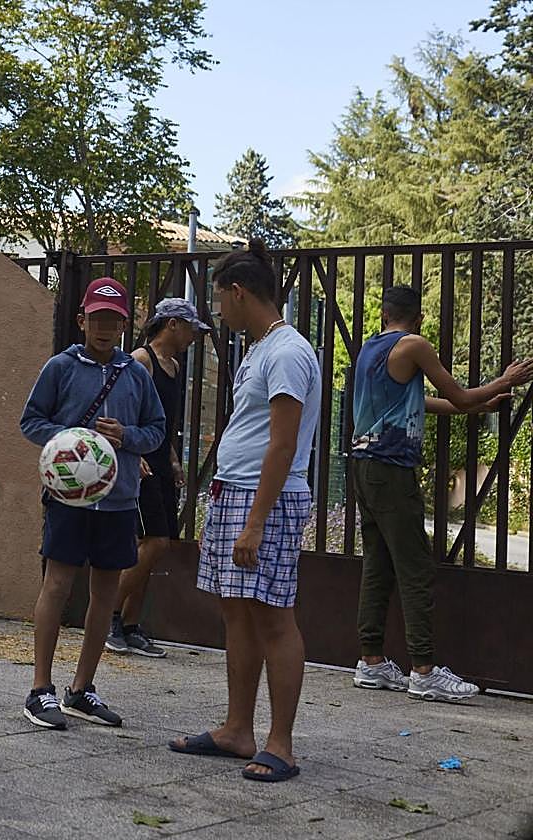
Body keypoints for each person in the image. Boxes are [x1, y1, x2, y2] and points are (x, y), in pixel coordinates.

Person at [169, 240, 320, 783]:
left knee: (273, 617)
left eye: (218, 303)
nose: (217, 314)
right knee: (236, 608)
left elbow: (282, 446)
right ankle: (238, 730)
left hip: (267, 500)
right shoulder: (260, 348)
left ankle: (281, 744)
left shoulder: (287, 353)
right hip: (234, 492)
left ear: (238, 292)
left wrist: (257, 520)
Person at [349, 285, 533, 701]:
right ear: (417, 319)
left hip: (364, 467)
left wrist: (477, 405)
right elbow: (459, 394)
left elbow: (423, 402)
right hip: (393, 470)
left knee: (378, 565)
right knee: (415, 569)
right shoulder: (414, 345)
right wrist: (502, 382)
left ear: (384, 315)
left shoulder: (370, 350)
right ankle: (424, 670)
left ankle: (371, 661)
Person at [19, 277, 165, 730]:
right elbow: (31, 421)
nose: (104, 327)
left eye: (113, 320)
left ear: (125, 325)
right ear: (83, 320)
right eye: (97, 318)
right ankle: (39, 689)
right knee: (57, 586)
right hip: (68, 497)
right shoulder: (60, 367)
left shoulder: (136, 374)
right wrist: (70, 441)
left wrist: (127, 438)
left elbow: (157, 430)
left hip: (118, 501)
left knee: (104, 595)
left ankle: (82, 689)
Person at [107, 298, 209, 658]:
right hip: (139, 464)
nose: (195, 336)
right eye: (192, 328)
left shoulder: (174, 367)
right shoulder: (140, 361)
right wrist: (134, 456)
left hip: (160, 463)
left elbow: (161, 423)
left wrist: (172, 460)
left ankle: (131, 626)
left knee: (156, 547)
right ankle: (108, 618)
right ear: (172, 325)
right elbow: (122, 413)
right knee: (154, 542)